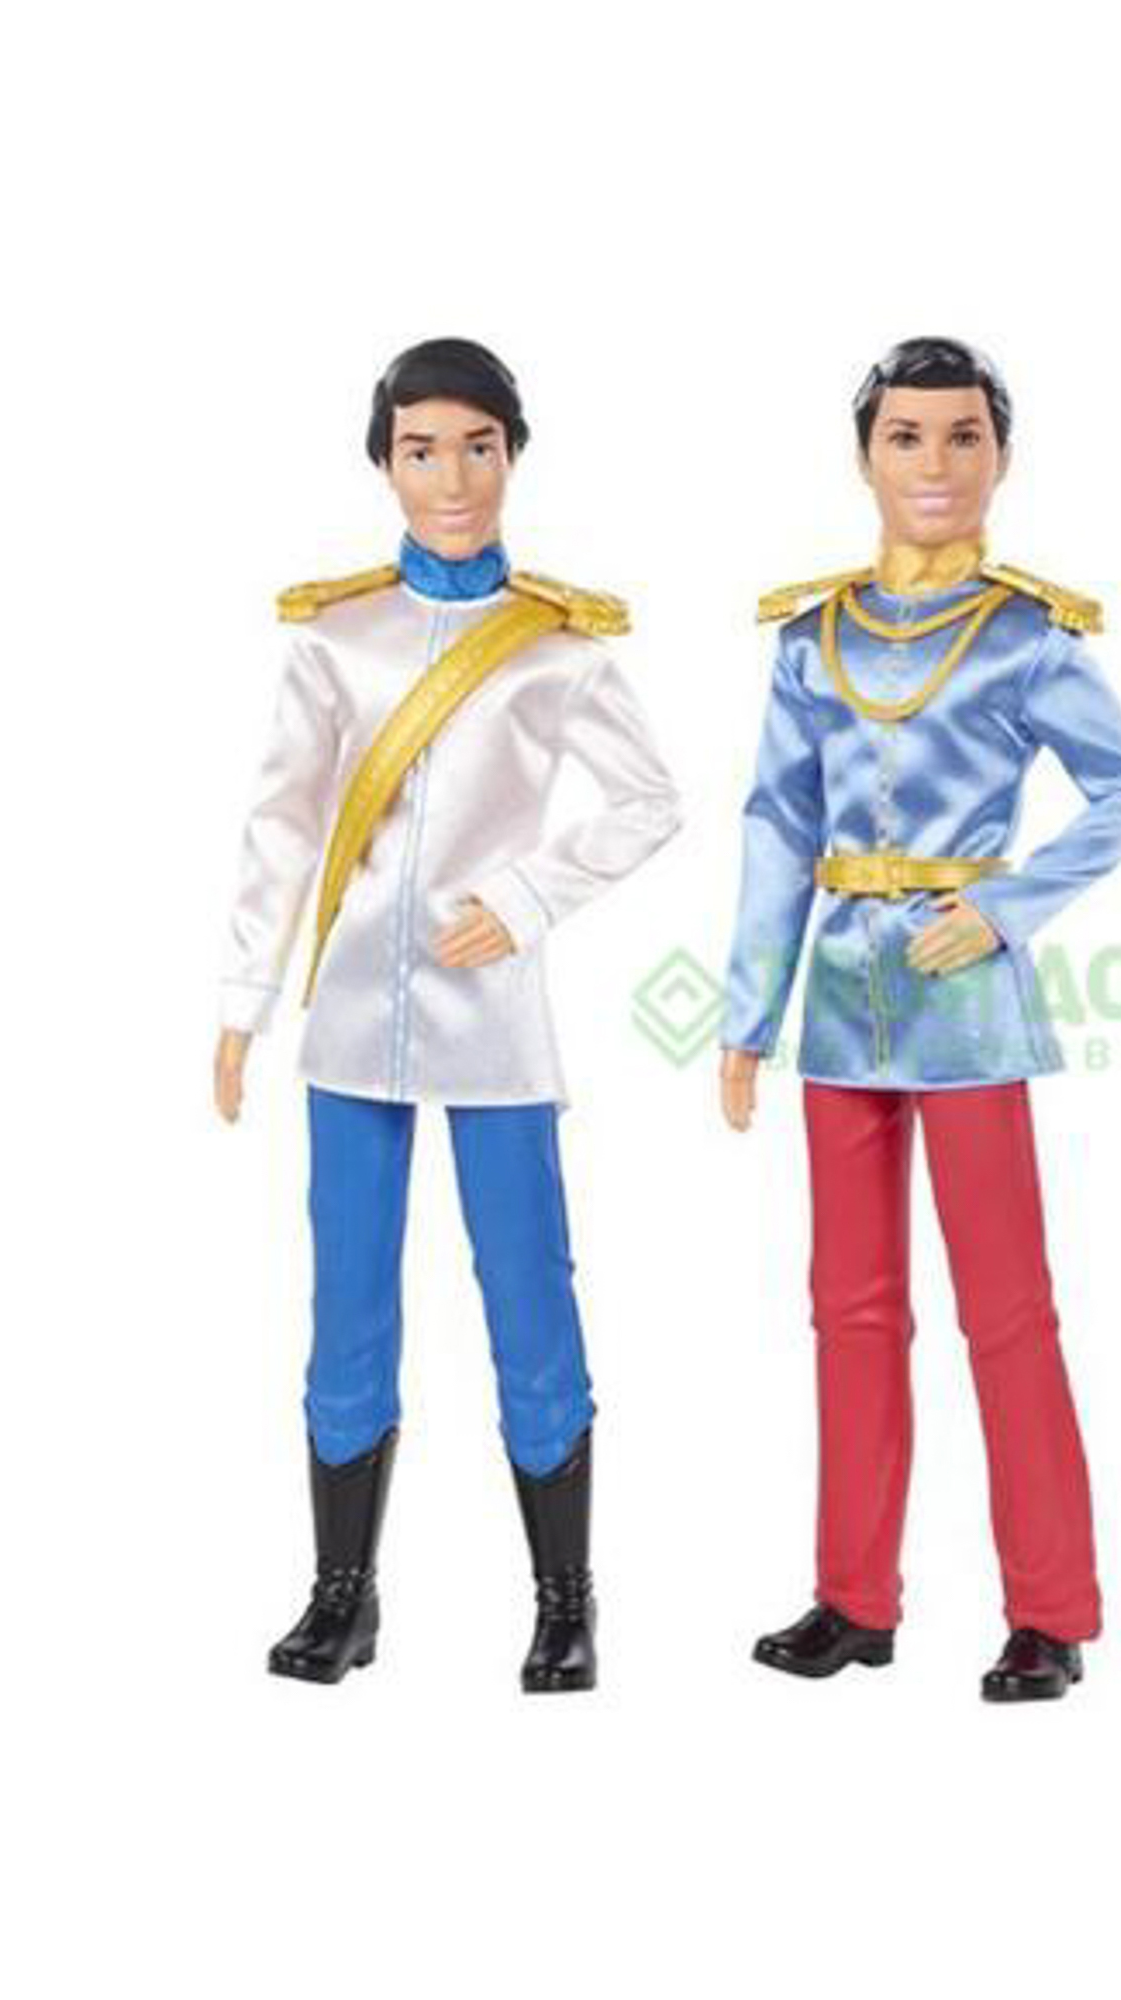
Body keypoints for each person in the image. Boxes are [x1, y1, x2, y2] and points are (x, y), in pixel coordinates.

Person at [215, 337, 681, 1692]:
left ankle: (564, 1601)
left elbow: (649, 800)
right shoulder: (335, 638)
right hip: (356, 1011)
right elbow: (283, 822)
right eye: (422, 450)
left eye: (479, 447)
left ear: (512, 456)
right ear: (386, 464)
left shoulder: (558, 650)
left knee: (530, 1294)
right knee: (348, 1300)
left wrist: (529, 897)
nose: (454, 477)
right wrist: (245, 996)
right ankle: (341, 1594)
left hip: (494, 1017)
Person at [721, 336, 1121, 1702]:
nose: (934, 463)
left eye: (963, 435)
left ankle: (1052, 1610)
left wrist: (1010, 907)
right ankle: (854, 1595)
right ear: (865, 456)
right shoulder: (813, 637)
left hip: (967, 999)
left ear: (1002, 457)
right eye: (905, 436)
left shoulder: (1029, 637)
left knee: (1006, 1310)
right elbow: (777, 821)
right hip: (840, 1004)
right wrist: (747, 1012)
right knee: (848, 1310)